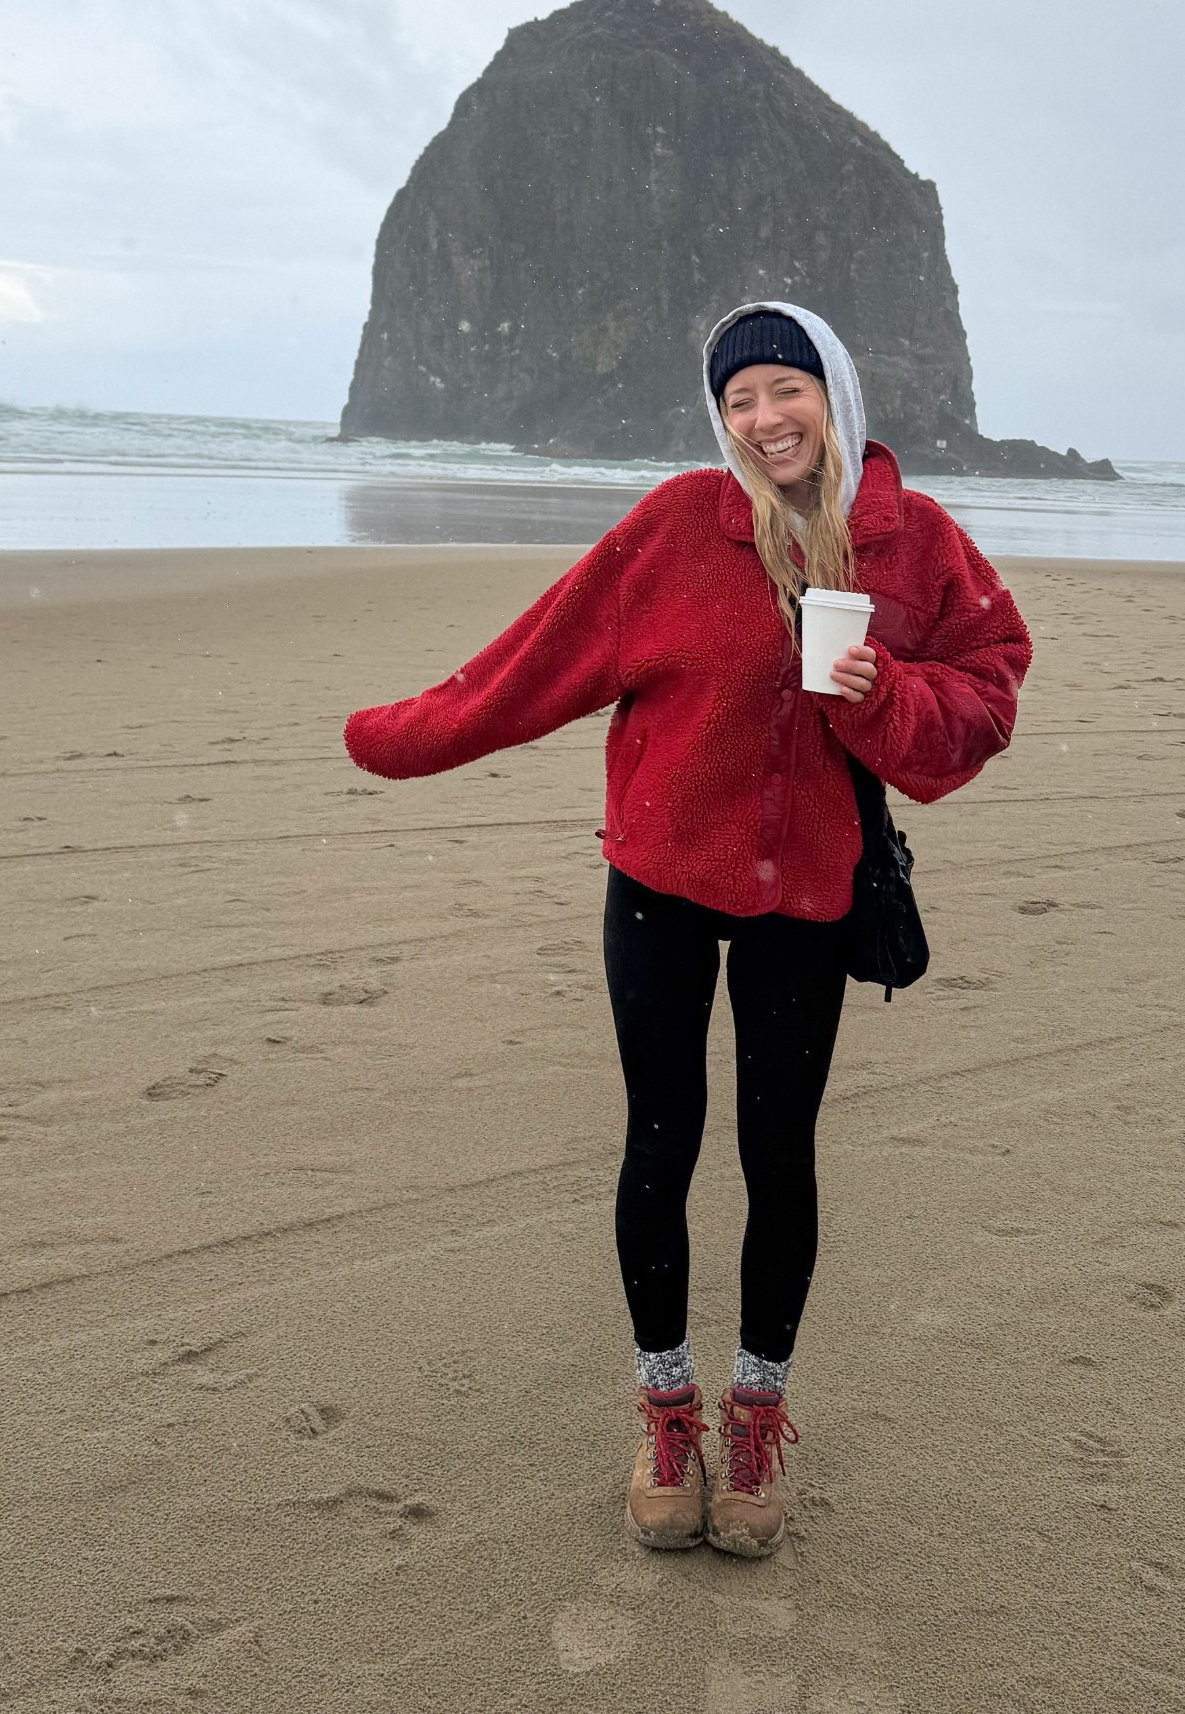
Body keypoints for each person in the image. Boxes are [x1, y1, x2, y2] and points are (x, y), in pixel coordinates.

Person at [344, 302, 1031, 1557]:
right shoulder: (677, 526)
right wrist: (409, 732)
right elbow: (532, 664)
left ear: (834, 391)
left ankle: (756, 1413)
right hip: (660, 878)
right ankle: (669, 1410)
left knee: (781, 1154)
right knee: (658, 1147)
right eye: (739, 401)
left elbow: (990, 686)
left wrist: (889, 700)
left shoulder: (913, 544)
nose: (765, 419)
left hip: (809, 898)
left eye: (786, 388)